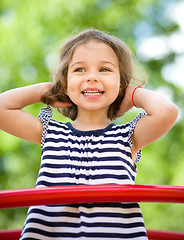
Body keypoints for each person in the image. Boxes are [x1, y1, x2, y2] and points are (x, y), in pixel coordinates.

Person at [0, 29, 178, 240]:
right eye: (79, 70)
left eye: (104, 69)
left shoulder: (127, 136)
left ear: (120, 82)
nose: (92, 77)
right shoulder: (50, 133)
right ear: (65, 82)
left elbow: (167, 112)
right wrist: (48, 91)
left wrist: (132, 93)